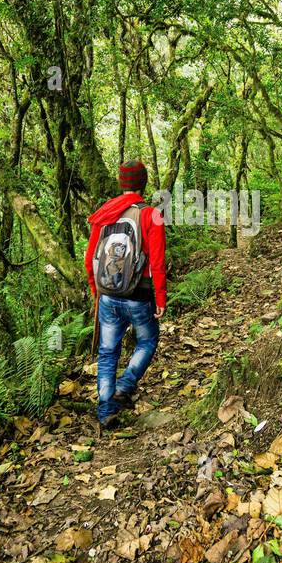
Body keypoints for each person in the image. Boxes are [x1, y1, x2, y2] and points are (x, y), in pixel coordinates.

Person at [85, 160, 167, 428]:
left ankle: (106, 410)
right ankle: (126, 384)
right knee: (148, 340)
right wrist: (161, 298)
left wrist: (97, 290)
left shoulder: (105, 213)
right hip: (139, 296)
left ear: (122, 182)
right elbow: (157, 262)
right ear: (144, 182)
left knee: (107, 352)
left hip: (107, 294)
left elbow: (90, 259)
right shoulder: (151, 214)